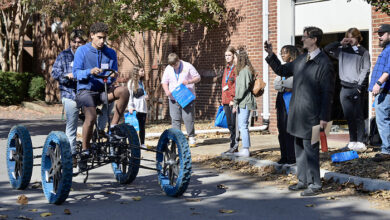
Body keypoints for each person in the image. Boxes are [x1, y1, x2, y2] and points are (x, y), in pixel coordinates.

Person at [265, 26, 335, 196]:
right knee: (299, 148)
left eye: (305, 37)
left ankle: (315, 184)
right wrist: (271, 54)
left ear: (314, 39)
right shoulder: (302, 59)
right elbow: (282, 70)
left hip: (314, 115)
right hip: (298, 112)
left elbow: (328, 93)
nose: (302, 40)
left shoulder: (324, 63)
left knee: (311, 150)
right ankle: (303, 181)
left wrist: (325, 117)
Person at [73, 22, 130, 169]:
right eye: (99, 37)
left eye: (104, 38)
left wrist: (113, 77)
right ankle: (85, 150)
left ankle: (114, 128)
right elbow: (75, 73)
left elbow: (113, 73)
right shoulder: (82, 51)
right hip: (85, 92)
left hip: (103, 91)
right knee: (91, 117)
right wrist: (89, 72)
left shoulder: (110, 53)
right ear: (92, 35)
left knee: (124, 91)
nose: (102, 41)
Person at [324, 27, 370, 152]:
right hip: (344, 88)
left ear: (358, 37)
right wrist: (340, 43)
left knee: (359, 116)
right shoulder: (342, 50)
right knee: (349, 116)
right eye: (348, 37)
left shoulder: (363, 52)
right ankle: (352, 141)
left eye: (352, 37)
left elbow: (365, 69)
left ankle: (361, 141)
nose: (350, 40)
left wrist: (360, 87)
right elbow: (327, 49)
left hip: (357, 88)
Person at [52, 29, 86, 166]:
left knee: (93, 118)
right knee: (72, 123)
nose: (77, 44)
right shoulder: (64, 55)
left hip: (85, 93)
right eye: (74, 41)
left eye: (80, 42)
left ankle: (87, 150)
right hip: (69, 93)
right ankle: (72, 155)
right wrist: (66, 77)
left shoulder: (86, 55)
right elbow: (54, 72)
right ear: (70, 42)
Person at [161, 53, 201, 148]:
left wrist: (189, 81)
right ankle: (176, 138)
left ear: (178, 60)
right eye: (172, 65)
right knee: (175, 119)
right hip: (174, 98)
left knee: (188, 118)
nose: (174, 67)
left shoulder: (187, 66)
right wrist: (167, 91)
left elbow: (198, 77)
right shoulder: (168, 68)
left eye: (175, 65)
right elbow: (164, 82)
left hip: (186, 97)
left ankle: (191, 137)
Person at [229, 46, 257, 157]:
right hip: (243, 101)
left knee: (243, 126)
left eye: (235, 57)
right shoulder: (244, 70)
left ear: (239, 58)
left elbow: (241, 90)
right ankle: (245, 148)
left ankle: (246, 149)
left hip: (244, 102)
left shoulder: (244, 71)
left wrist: (235, 102)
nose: (234, 59)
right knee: (242, 125)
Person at [274, 45, 299, 165]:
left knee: (290, 131)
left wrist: (283, 84)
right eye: (281, 53)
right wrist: (284, 84)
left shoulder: (296, 67)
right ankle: (284, 155)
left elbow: (291, 84)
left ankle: (292, 156)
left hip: (291, 101)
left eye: (285, 53)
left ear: (292, 54)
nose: (282, 55)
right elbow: (277, 85)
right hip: (281, 101)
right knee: (281, 130)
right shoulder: (282, 68)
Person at [369, 24, 390, 162]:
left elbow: (388, 69)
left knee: (383, 120)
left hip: (385, 90)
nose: (379, 36)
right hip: (383, 91)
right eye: (378, 33)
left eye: (382, 33)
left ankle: (386, 151)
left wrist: (378, 83)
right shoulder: (386, 50)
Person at [221, 46, 240, 154]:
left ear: (233, 56)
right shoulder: (227, 68)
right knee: (229, 125)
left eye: (229, 55)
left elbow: (235, 86)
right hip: (225, 100)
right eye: (226, 55)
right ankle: (232, 145)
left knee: (234, 124)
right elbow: (224, 84)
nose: (227, 57)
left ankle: (235, 146)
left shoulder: (235, 69)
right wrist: (222, 98)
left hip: (232, 100)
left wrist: (233, 99)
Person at [128, 65, 148, 149]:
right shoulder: (131, 83)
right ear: (136, 72)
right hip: (136, 108)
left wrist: (146, 96)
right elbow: (130, 96)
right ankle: (134, 143)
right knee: (135, 126)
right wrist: (130, 107)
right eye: (141, 71)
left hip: (143, 107)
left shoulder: (141, 82)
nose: (143, 72)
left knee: (142, 126)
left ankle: (142, 143)